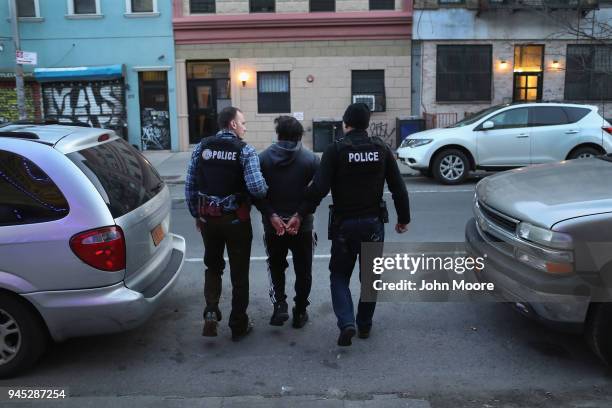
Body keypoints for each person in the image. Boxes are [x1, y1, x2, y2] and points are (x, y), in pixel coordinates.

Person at [291, 103, 410, 347]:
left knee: (339, 275)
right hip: (373, 224)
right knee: (370, 278)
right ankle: (364, 325)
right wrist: (403, 218)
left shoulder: (336, 150)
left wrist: (300, 214)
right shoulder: (381, 148)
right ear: (367, 124)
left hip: (345, 225)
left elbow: (319, 188)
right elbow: (398, 186)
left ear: (346, 124)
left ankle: (347, 323)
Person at [185, 106, 267, 341]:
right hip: (235, 221)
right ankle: (238, 324)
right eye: (243, 123)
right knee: (239, 274)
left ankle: (211, 310)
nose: (245, 127)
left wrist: (197, 215)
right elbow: (257, 188)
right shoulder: (245, 150)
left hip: (208, 220)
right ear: (232, 124)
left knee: (213, 266)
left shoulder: (202, 147)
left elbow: (190, 184)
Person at [256, 116, 320, 329]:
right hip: (302, 227)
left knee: (275, 266)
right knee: (304, 270)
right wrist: (300, 215)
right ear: (300, 136)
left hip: (273, 227)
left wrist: (271, 215)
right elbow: (316, 193)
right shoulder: (310, 160)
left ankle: (279, 305)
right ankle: (300, 311)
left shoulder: (262, 159)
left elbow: (254, 192)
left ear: (278, 135)